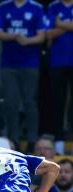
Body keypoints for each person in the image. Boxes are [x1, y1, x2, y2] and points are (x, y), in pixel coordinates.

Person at [0, 0, 46, 145]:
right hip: (8, 63)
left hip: (30, 63)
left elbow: (42, 36)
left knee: (30, 101)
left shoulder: (36, 7)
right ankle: (13, 139)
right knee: (10, 102)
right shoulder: (4, 7)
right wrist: (14, 36)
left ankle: (32, 139)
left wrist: (27, 41)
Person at [46, 0, 73, 137]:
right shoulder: (53, 6)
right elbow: (48, 34)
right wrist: (69, 26)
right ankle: (57, 133)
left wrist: (60, 24)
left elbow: (55, 29)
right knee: (57, 98)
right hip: (57, 60)